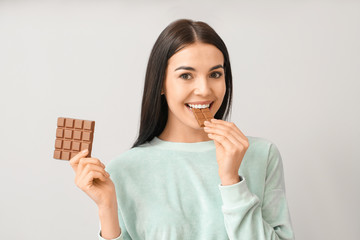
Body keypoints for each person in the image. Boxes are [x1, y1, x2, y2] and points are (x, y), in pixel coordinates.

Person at [70, 19, 295, 240]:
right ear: (161, 83)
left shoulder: (261, 155)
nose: (204, 90)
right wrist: (106, 207)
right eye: (186, 75)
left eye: (215, 74)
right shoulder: (123, 170)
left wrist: (231, 180)